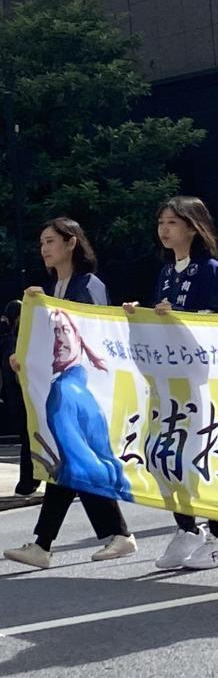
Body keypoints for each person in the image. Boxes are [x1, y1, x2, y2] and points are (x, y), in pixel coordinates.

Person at [3, 218, 135, 570]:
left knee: (71, 458)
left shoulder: (87, 285)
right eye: (42, 243)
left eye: (50, 241)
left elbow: (87, 332)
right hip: (62, 382)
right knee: (68, 463)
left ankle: (93, 538)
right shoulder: (52, 287)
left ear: (71, 243)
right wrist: (24, 358)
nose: (44, 248)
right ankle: (63, 541)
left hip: (78, 383)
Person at [123, 196, 218, 570]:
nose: (164, 229)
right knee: (165, 455)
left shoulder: (210, 270)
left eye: (172, 222)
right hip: (170, 383)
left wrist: (188, 315)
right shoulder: (166, 273)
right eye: (161, 222)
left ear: (193, 227)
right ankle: (187, 527)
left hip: (203, 384)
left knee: (202, 456)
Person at [1, 299, 40, 496]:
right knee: (31, 441)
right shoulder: (18, 342)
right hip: (25, 399)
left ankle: (28, 482)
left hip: (14, 401)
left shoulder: (7, 341)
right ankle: (27, 483)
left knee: (29, 441)